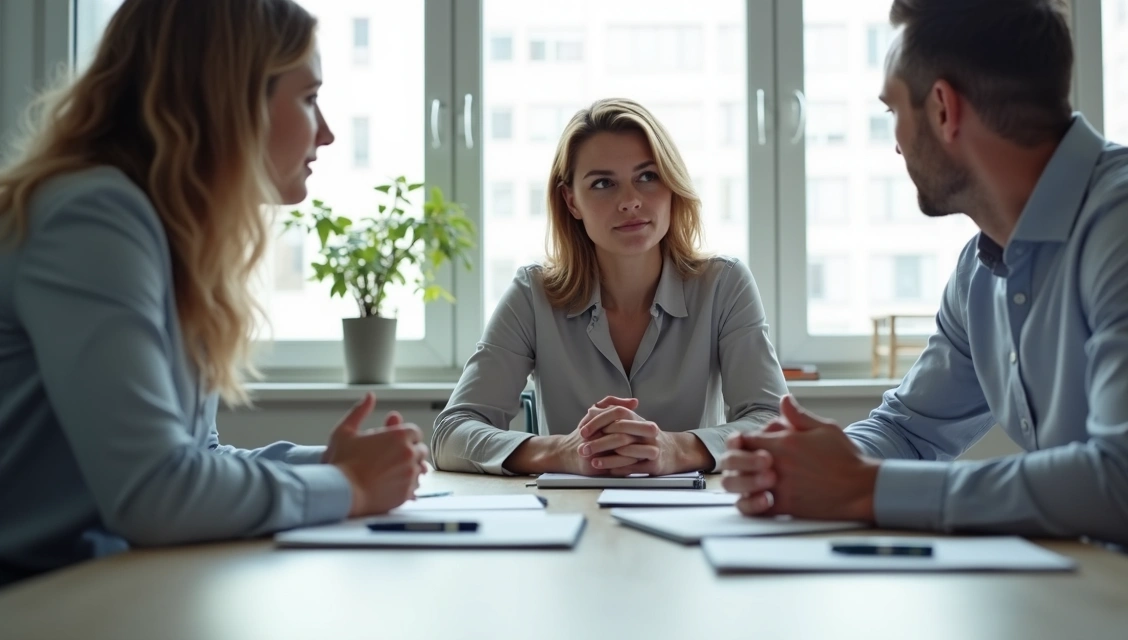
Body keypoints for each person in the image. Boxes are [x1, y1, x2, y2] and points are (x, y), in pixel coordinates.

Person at [723, 0, 1128, 578]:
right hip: (1082, 590)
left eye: (892, 112)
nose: (897, 144)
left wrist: (866, 489)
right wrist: (801, 462)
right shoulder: (980, 271)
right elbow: (908, 430)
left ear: (942, 108)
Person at [0, 0, 427, 588]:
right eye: (307, 99)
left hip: (95, 591)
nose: (326, 132)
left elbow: (196, 461)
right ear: (231, 101)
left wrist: (335, 462)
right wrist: (349, 486)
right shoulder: (93, 217)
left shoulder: (166, 234)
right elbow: (154, 492)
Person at [432, 98, 786, 476]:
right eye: (603, 183)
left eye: (648, 176)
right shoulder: (532, 293)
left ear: (672, 185)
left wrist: (676, 449)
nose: (630, 201)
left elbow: (775, 423)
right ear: (572, 201)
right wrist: (564, 453)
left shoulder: (724, 285)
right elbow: (451, 434)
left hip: (694, 517)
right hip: (570, 516)